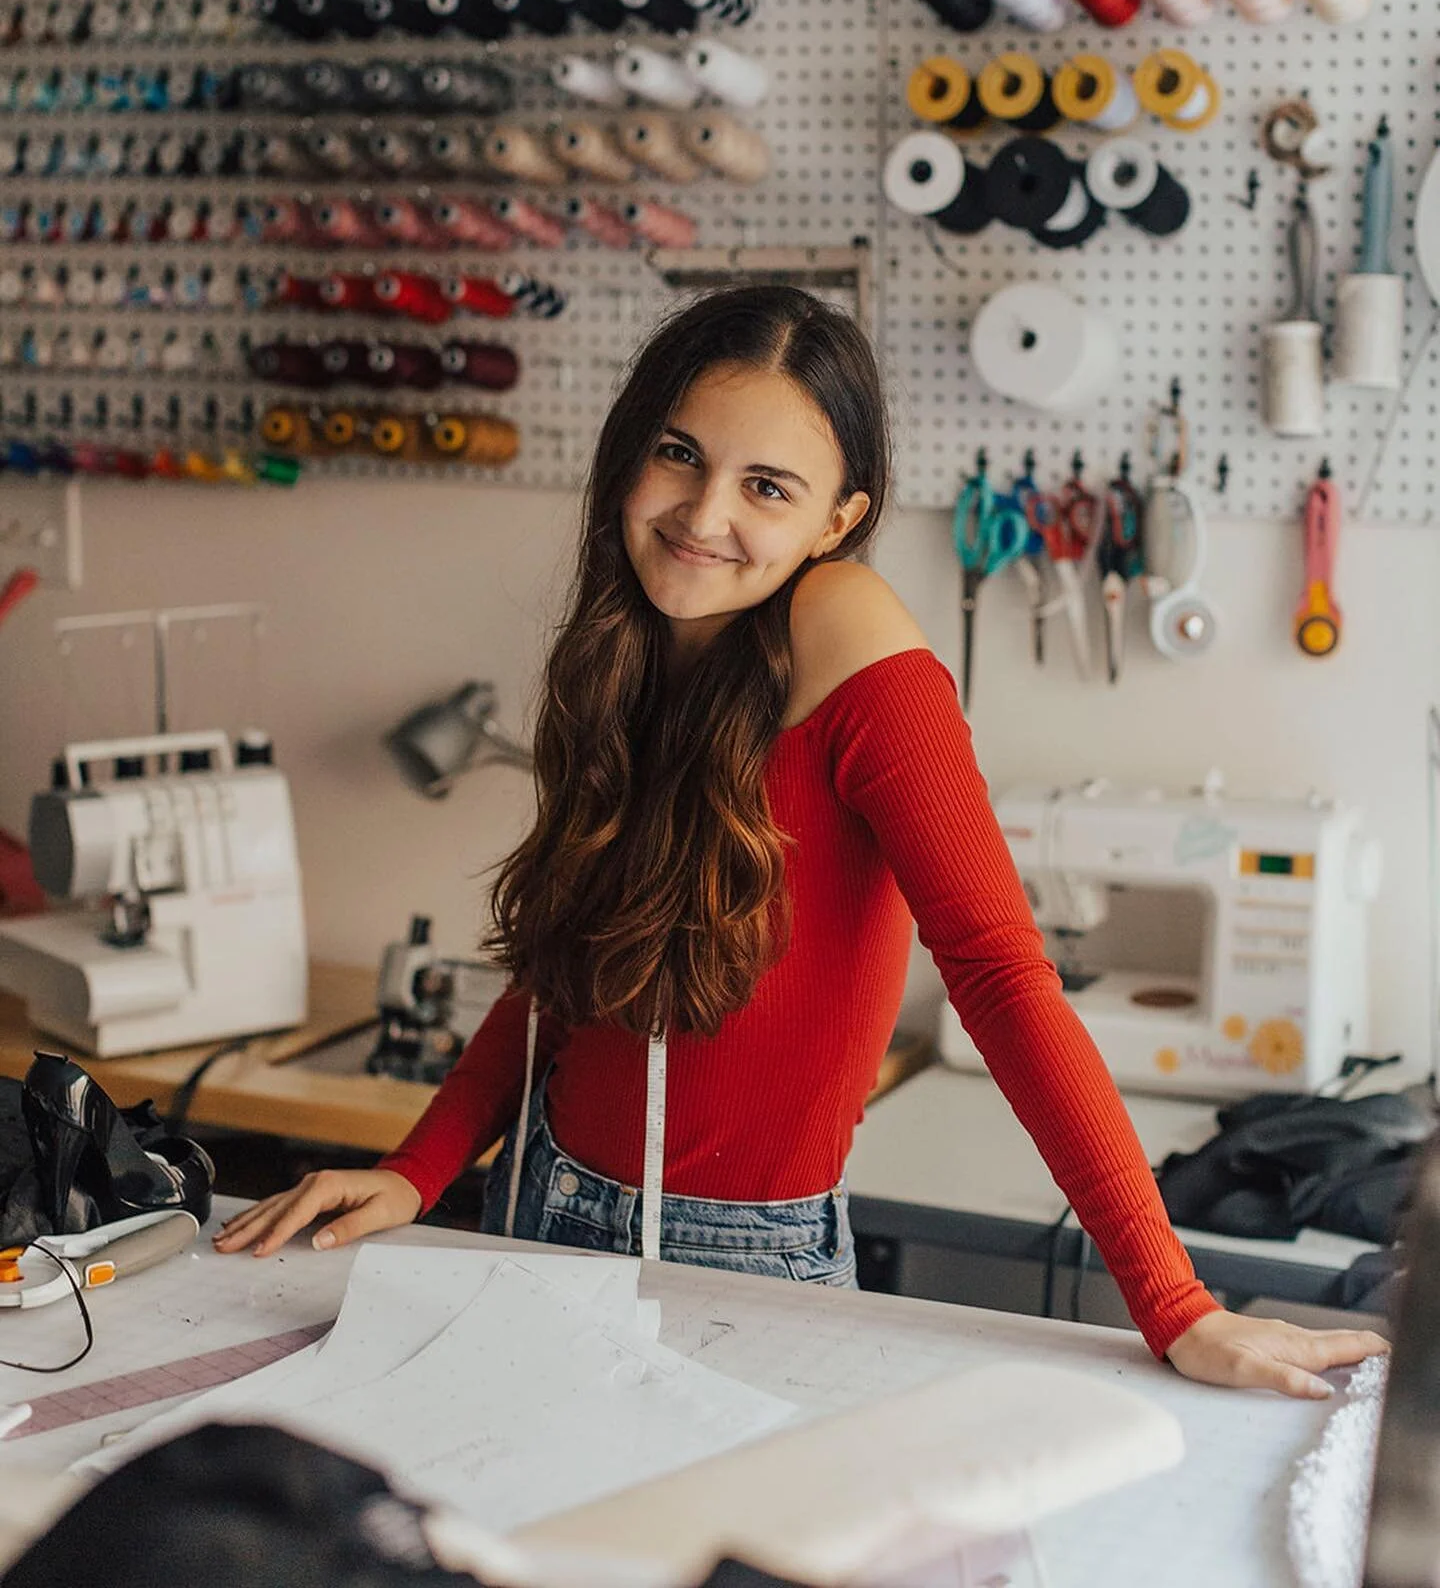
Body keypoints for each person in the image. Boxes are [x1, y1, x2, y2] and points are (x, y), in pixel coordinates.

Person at [218, 286, 1386, 1399]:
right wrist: (417, 1169)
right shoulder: (628, 644)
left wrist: (1175, 1303)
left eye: (766, 486)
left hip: (741, 1261)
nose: (703, 513)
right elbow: (568, 971)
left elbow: (1000, 974)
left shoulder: (855, 648)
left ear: (840, 519)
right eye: (679, 453)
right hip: (537, 1205)